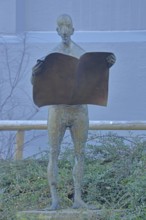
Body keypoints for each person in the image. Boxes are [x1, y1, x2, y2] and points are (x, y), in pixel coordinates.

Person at [32, 14, 116, 210]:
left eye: (67, 26)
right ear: (56, 31)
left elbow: (95, 76)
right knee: (54, 153)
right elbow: (37, 83)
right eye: (60, 27)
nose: (64, 30)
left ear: (72, 30)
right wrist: (35, 73)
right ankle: (55, 199)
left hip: (79, 110)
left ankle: (78, 198)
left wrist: (107, 64)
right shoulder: (51, 56)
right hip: (58, 110)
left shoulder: (82, 53)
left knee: (80, 154)